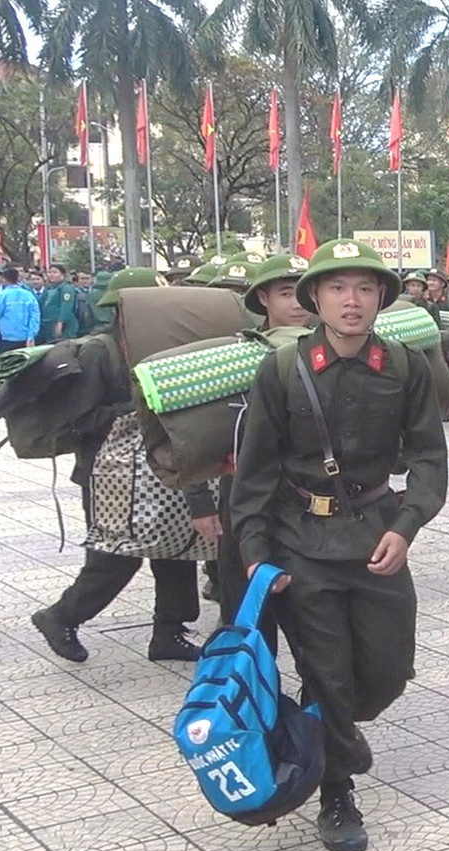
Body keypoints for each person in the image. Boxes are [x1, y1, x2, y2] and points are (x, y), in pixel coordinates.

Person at [231, 238, 448, 851]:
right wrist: (255, 554)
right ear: (316, 299)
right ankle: (336, 788)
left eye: (363, 288)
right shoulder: (280, 370)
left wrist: (405, 526)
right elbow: (254, 475)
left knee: (384, 672)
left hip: (376, 536)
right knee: (327, 674)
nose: (351, 301)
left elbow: (431, 458)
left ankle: (334, 727)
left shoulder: (405, 368)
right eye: (336, 288)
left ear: (380, 296)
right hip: (301, 544)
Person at [31, 268, 203, 666]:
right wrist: (142, 408)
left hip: (160, 467)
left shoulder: (162, 345)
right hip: (108, 474)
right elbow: (79, 419)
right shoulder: (98, 352)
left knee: (177, 548)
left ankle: (169, 631)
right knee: (115, 556)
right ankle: (61, 617)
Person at [186, 252, 314, 647]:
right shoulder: (237, 356)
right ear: (262, 299)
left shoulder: (329, 351)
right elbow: (202, 431)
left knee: (315, 623)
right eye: (285, 294)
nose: (296, 305)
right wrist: (200, 504)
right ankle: (256, 700)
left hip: (310, 501)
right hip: (245, 497)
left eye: (303, 294)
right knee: (248, 618)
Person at [0, 267, 41, 355]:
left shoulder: (1, 296)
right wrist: (31, 336)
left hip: (7, 339)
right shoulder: (29, 295)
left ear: (4, 279)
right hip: (25, 339)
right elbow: (35, 317)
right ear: (18, 278)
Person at [38, 264, 79, 343]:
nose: (51, 275)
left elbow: (66, 306)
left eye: (55, 272)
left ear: (62, 275)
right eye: (49, 272)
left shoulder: (66, 288)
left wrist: (60, 323)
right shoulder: (49, 288)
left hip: (63, 325)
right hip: (49, 324)